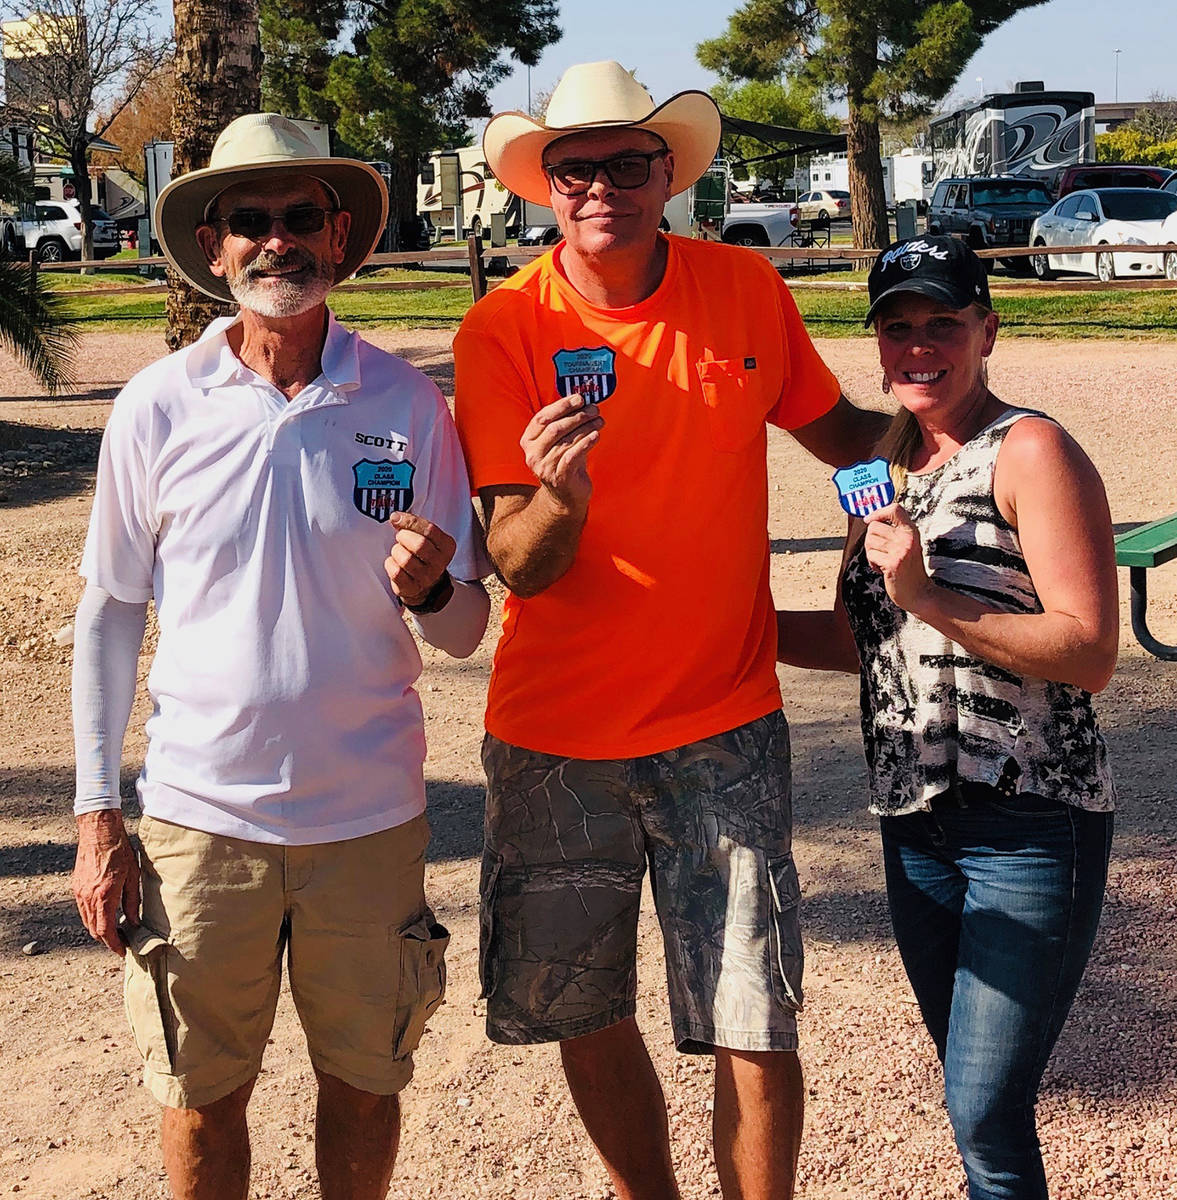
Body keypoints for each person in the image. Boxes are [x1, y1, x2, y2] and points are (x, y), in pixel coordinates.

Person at [452, 60, 885, 1200]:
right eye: (575, 167)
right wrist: (562, 499)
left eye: (627, 162)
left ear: (666, 173)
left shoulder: (743, 288)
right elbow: (517, 563)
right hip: (554, 737)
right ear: (545, 185)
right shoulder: (503, 328)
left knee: (756, 1011)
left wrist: (965, 432)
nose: (602, 186)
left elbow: (843, 436)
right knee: (581, 1007)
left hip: (723, 721)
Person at [69, 113, 490, 1200]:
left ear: (338, 237)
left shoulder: (404, 401)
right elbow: (110, 614)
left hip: (368, 821)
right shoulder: (158, 405)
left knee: (364, 1089)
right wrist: (97, 817)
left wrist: (431, 588)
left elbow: (462, 630)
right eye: (248, 220)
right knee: (201, 1101)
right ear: (212, 248)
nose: (276, 240)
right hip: (201, 821)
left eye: (301, 216)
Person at [776, 235, 1117, 1200]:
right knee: (974, 1098)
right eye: (897, 328)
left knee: (983, 1112)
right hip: (913, 823)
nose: (918, 346)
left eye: (943, 323)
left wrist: (928, 595)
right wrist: (728, 626)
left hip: (1029, 821)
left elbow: (1089, 651)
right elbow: (857, 639)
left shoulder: (1030, 450)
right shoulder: (881, 466)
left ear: (986, 332)